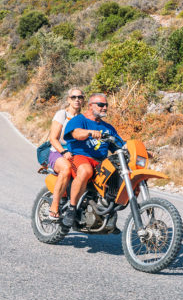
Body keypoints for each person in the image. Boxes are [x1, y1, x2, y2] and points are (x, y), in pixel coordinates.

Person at [61, 93, 126, 227]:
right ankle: (71, 209)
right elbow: (76, 133)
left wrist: (143, 150)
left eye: (106, 105)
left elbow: (121, 145)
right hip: (80, 157)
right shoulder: (79, 120)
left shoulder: (108, 128)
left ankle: (110, 212)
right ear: (91, 106)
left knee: (118, 176)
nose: (104, 108)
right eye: (101, 105)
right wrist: (90, 133)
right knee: (85, 171)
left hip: (100, 161)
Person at [46, 88, 84, 219]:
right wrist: (64, 151)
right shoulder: (62, 114)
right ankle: (55, 205)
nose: (77, 100)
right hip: (58, 151)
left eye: (80, 97)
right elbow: (53, 138)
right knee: (66, 169)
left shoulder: (82, 118)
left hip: (75, 153)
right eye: (74, 97)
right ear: (68, 99)